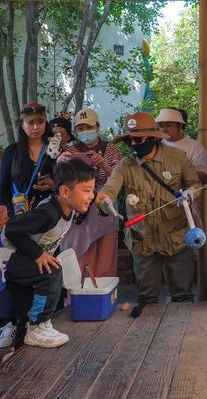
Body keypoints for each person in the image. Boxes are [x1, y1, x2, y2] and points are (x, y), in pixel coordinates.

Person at [0, 159, 96, 348]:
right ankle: (39, 325)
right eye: (86, 190)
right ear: (64, 191)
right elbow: (12, 230)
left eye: (92, 190)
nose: (91, 196)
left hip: (21, 257)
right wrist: (39, 254)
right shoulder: (48, 213)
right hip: (3, 257)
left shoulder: (68, 208)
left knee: (26, 306)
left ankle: (21, 343)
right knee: (51, 272)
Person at [96, 112, 201, 318]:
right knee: (146, 299)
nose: (133, 144)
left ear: (153, 137)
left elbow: (196, 184)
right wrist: (105, 202)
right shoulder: (125, 165)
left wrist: (190, 194)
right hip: (143, 239)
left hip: (177, 237)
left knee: (182, 296)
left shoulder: (177, 158)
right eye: (129, 140)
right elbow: (108, 191)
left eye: (139, 139)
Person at [0, 102, 56, 347]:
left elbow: (61, 178)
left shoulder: (53, 150)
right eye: (30, 122)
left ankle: (38, 321)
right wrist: (1, 205)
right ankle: (10, 323)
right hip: (17, 216)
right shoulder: (11, 151)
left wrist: (52, 184)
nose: (35, 127)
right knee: (13, 267)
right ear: (22, 125)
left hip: (44, 217)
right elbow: (4, 184)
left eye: (40, 122)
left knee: (42, 266)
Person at [58, 107, 122, 278]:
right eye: (80, 128)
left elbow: (120, 177)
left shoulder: (112, 149)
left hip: (102, 209)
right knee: (79, 255)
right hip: (78, 211)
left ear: (98, 126)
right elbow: (61, 181)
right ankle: (77, 298)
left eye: (88, 127)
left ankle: (102, 297)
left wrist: (103, 165)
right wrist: (60, 162)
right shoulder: (70, 150)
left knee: (105, 258)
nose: (85, 131)